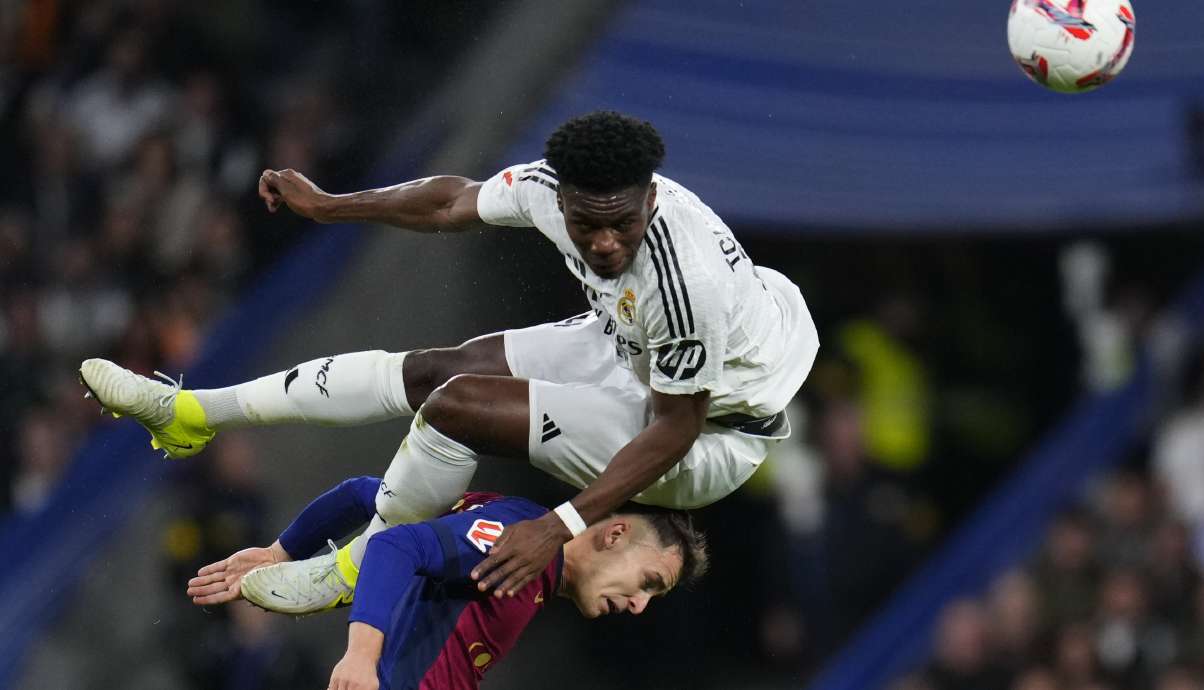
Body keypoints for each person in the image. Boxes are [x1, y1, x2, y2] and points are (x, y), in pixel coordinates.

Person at [80, 110, 818, 610]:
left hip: (714, 428)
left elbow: (674, 429)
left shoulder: (683, 284)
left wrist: (558, 525)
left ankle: (346, 572)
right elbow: (448, 203)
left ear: (650, 200)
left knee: (457, 407)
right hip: (638, 346)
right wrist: (330, 206)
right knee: (438, 370)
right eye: (587, 225)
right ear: (557, 197)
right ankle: (190, 413)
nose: (603, 245)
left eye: (622, 225)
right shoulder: (545, 189)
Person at [186, 475, 708, 690]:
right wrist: (361, 656)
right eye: (650, 582)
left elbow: (372, 494)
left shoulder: (530, 556)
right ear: (614, 534)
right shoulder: (517, 539)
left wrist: (281, 552)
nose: (640, 604)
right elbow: (396, 545)